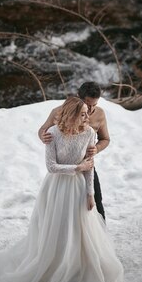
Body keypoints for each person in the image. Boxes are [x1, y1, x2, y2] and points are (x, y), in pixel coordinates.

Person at [0, 97, 124, 282]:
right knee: (58, 225)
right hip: (56, 187)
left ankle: (78, 267)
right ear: (71, 114)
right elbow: (51, 167)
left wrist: (90, 193)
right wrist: (76, 168)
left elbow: (89, 167)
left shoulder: (90, 133)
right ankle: (53, 265)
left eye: (87, 113)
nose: (87, 116)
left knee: (79, 228)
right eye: (82, 113)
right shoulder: (53, 134)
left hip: (79, 187)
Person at [38, 81, 109, 220]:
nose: (90, 109)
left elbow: (105, 139)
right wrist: (42, 136)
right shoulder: (59, 111)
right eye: (87, 104)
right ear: (78, 96)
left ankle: (99, 235)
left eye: (94, 105)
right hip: (62, 167)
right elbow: (44, 130)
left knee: (96, 201)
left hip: (86, 164)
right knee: (61, 208)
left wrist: (96, 149)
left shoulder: (99, 114)